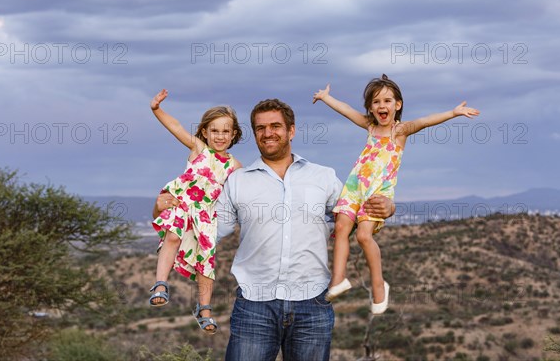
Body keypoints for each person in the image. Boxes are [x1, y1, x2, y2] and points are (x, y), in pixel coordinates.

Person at [154, 98, 393, 360]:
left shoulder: (323, 177)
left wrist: (388, 207)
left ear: (291, 131)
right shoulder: (236, 181)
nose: (268, 133)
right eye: (261, 128)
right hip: (253, 307)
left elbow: (353, 217)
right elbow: (209, 230)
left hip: (313, 305)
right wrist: (161, 210)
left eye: (276, 126)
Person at [312, 75, 480, 315]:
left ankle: (379, 284)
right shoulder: (369, 126)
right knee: (341, 227)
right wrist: (327, 97)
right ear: (370, 107)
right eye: (377, 102)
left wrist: (453, 113)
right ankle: (338, 279)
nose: (382, 106)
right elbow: (347, 110)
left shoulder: (400, 131)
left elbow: (425, 121)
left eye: (388, 101)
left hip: (377, 192)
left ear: (397, 105)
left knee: (363, 235)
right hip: (354, 187)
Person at [148, 89, 242, 334]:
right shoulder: (200, 149)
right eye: (214, 131)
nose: (220, 136)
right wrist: (157, 109)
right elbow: (176, 126)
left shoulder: (235, 166)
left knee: (206, 261)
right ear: (204, 132)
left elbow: (243, 190)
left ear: (233, 134)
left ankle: (205, 308)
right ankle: (160, 284)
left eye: (225, 131)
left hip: (205, 215)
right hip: (182, 203)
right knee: (172, 237)